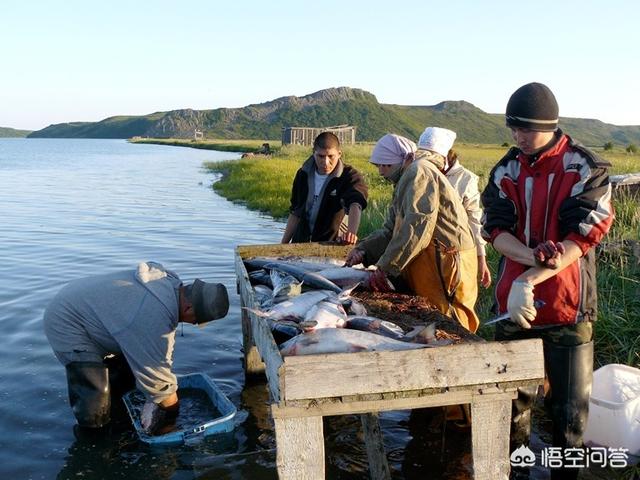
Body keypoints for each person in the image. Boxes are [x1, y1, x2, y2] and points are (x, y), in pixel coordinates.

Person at [481, 82, 614, 479]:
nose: (519, 137)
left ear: (550, 127)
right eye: (514, 129)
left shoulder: (584, 167)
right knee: (511, 409)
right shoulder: (505, 169)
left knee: (569, 415)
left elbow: (582, 237)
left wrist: (535, 276)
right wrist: (529, 261)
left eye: (527, 129)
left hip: (566, 306)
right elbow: (496, 229)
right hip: (513, 308)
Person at [43, 261, 230, 435]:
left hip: (90, 306)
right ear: (189, 309)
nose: (193, 324)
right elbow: (157, 379)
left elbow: (161, 349)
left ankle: (118, 414)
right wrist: (172, 413)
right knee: (94, 402)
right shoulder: (150, 316)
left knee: (124, 380)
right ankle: (94, 444)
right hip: (67, 322)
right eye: (196, 321)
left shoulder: (169, 286)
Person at [345, 131, 480, 333]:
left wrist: (386, 267)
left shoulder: (419, 171)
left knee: (452, 322)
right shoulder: (408, 176)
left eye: (386, 165)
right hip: (433, 259)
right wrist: (364, 250)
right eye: (378, 166)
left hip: (447, 261)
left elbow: (417, 225)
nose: (382, 172)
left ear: (405, 158)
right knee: (433, 322)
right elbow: (391, 229)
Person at [420, 127, 492, 288]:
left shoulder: (465, 179)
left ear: (445, 156)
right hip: (424, 253)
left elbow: (474, 220)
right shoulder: (421, 174)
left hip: (455, 253)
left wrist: (481, 259)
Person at [281, 131, 368, 245]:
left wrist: (351, 234)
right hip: (301, 242)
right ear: (313, 153)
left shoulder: (349, 176)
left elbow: (356, 204)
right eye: (321, 156)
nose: (325, 162)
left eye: (331, 156)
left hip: (333, 244)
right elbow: (295, 212)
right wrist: (283, 245)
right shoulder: (303, 174)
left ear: (339, 154)